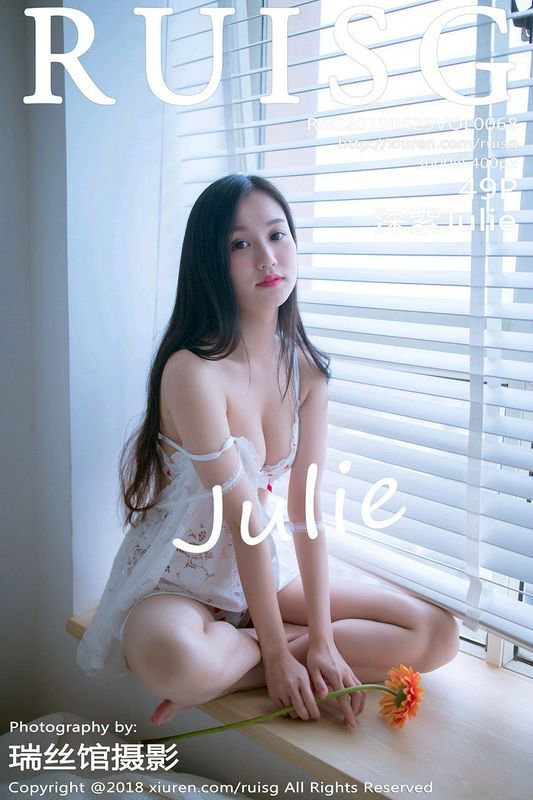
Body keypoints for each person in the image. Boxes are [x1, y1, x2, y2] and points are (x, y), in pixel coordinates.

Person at [77, 174, 460, 729]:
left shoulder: (307, 373)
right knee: (174, 661)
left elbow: (305, 513)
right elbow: (242, 517)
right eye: (240, 244)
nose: (266, 257)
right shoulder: (192, 371)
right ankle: (259, 654)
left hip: (261, 581)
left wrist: (323, 639)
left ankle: (247, 661)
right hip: (177, 585)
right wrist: (278, 654)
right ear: (211, 263)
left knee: (437, 634)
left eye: (277, 235)